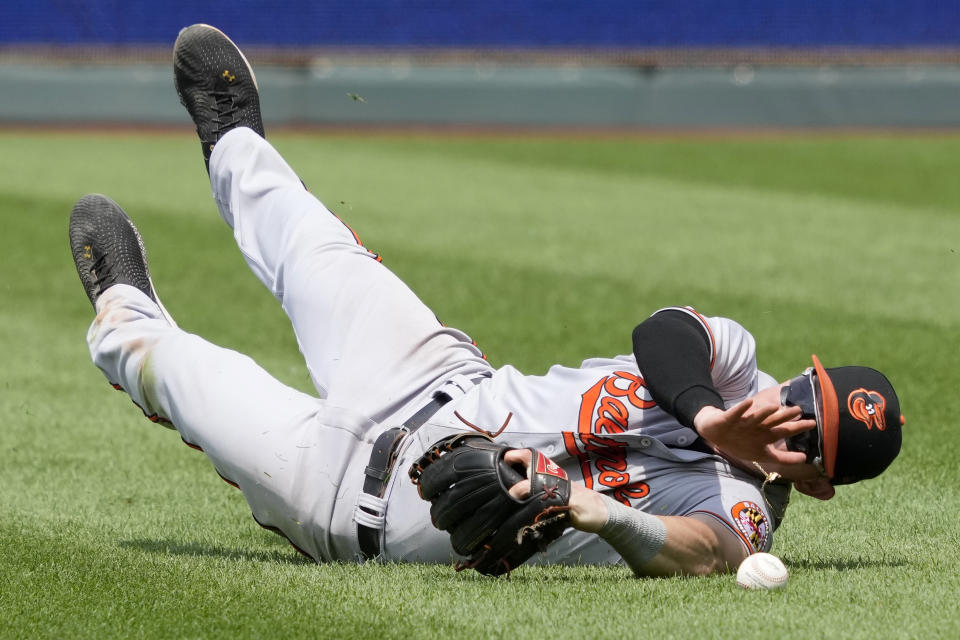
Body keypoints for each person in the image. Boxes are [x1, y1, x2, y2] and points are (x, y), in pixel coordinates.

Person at [69, 24, 904, 578]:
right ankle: (235, 142)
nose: (784, 413)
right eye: (801, 396)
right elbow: (664, 334)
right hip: (436, 375)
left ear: (819, 484)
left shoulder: (745, 513)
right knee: (317, 247)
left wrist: (595, 511)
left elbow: (695, 552)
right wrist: (709, 417)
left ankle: (125, 318)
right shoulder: (730, 363)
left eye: (805, 436)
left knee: (173, 369)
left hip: (347, 499)